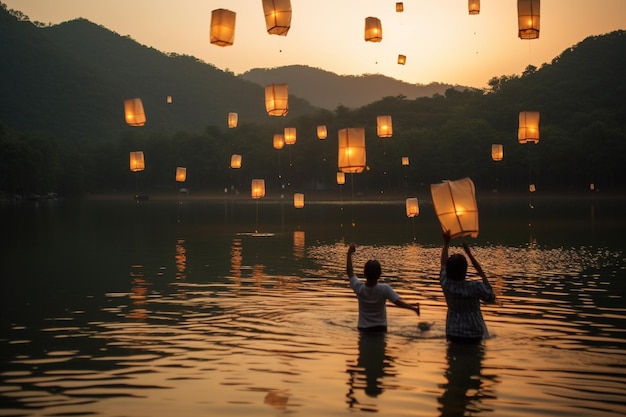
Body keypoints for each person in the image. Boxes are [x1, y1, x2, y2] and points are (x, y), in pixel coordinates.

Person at [346, 243, 420, 332]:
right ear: (380, 274)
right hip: (380, 329)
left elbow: (350, 273)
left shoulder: (359, 288)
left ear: (364, 274)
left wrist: (349, 253)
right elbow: (397, 302)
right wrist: (413, 308)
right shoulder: (384, 289)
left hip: (363, 329)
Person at [440, 231, 496, 344]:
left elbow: (443, 265)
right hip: (474, 334)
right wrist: (470, 255)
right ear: (465, 270)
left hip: (453, 333)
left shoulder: (446, 284)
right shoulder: (476, 287)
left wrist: (446, 244)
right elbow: (491, 297)